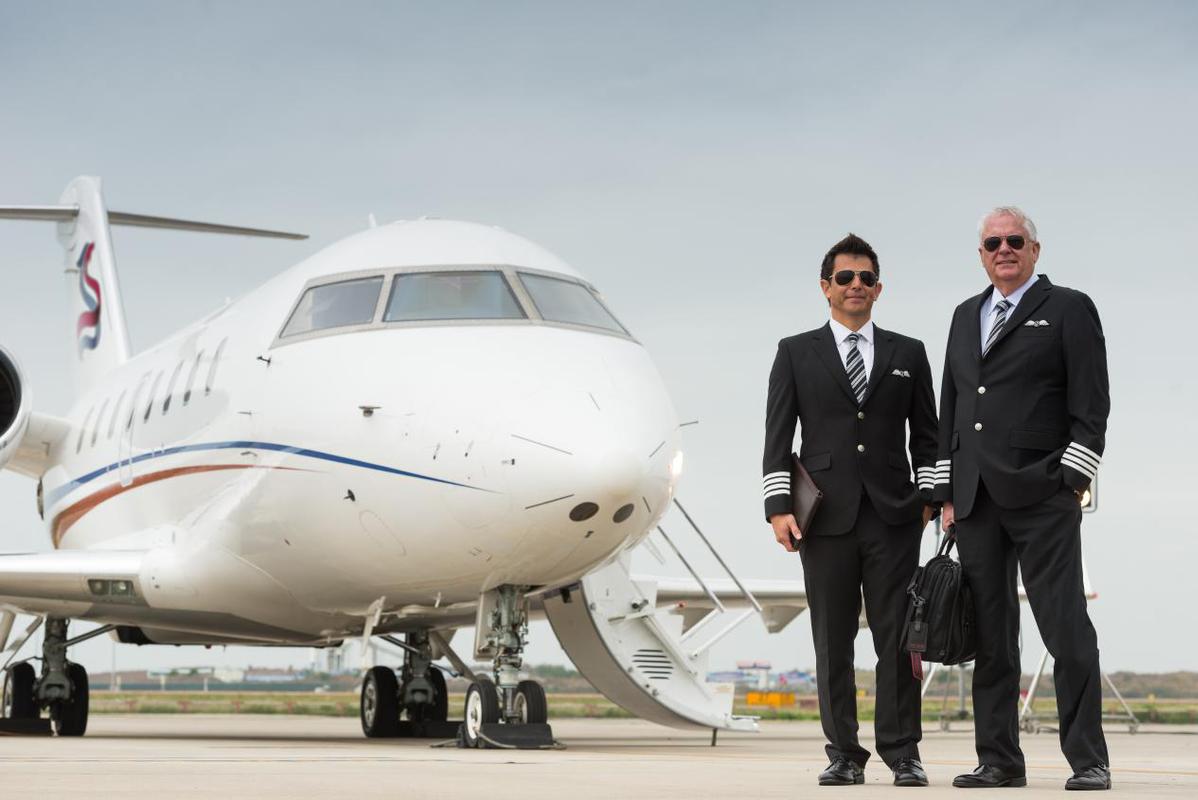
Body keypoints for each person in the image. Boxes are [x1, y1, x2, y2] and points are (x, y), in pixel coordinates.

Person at [936, 207, 1111, 791]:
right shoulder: (965, 315)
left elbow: (1092, 405)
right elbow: (952, 407)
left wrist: (1071, 479)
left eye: (1015, 240)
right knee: (990, 636)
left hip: (1042, 494)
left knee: (1065, 628)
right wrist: (946, 492)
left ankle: (1089, 760)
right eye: (993, 243)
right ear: (981, 255)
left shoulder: (1069, 308)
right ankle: (999, 761)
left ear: (1035, 250)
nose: (1004, 249)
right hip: (975, 501)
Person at [763, 233, 938, 787]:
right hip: (824, 520)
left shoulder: (909, 353)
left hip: (894, 518)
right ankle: (843, 752)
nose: (855, 285)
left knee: (899, 640)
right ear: (826, 287)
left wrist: (929, 499)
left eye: (866, 278)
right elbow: (777, 436)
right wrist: (778, 507)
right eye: (845, 277)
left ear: (878, 289)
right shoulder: (795, 351)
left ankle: (903, 753)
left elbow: (927, 437)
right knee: (832, 641)